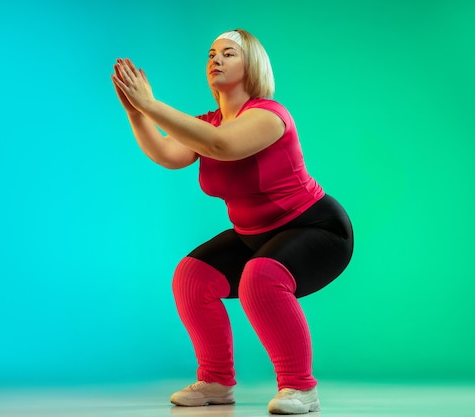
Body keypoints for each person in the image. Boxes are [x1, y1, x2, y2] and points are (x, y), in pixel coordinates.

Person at [111, 29, 353, 415]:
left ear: (252, 65)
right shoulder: (205, 122)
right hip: (253, 235)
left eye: (228, 53)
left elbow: (219, 145)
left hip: (317, 228)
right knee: (192, 277)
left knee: (262, 277)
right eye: (211, 54)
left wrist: (152, 104)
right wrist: (136, 112)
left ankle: (300, 388)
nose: (216, 60)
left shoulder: (270, 116)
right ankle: (216, 381)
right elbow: (168, 154)